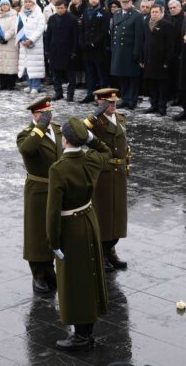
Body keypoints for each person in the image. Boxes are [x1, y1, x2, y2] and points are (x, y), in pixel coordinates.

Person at [47, 114, 112, 351]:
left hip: (70, 230)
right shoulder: (92, 159)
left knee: (72, 283)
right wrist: (91, 138)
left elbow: (53, 211)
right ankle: (87, 332)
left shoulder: (59, 169)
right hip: (88, 221)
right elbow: (105, 150)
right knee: (89, 277)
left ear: (65, 139)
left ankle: (81, 337)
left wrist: (53, 242)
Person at [17, 96, 63, 296]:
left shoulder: (59, 130)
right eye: (42, 114)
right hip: (38, 189)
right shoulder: (26, 134)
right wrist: (40, 127)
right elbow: (27, 149)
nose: (47, 117)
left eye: (49, 113)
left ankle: (49, 269)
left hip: (57, 188)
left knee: (53, 230)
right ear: (34, 115)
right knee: (37, 233)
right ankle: (38, 274)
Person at [83, 88, 130, 272]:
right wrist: (94, 116)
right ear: (99, 103)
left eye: (114, 102)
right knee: (103, 215)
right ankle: (100, 254)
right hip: (103, 172)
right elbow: (79, 133)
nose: (113, 105)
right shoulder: (96, 121)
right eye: (109, 103)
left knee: (117, 216)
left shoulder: (119, 118)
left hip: (118, 173)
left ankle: (111, 250)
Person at [110, 0, 143, 109]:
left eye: (127, 2)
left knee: (132, 77)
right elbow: (113, 32)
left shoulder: (136, 15)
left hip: (130, 50)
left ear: (131, 2)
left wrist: (136, 52)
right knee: (121, 76)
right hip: (118, 50)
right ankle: (124, 97)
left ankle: (132, 99)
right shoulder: (117, 13)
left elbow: (139, 36)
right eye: (123, 2)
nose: (125, 4)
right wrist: (113, 49)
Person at [140, 4, 174, 116]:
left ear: (161, 13)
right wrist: (142, 59)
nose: (154, 14)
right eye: (152, 12)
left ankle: (162, 107)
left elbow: (170, 45)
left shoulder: (167, 25)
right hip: (148, 60)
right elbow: (143, 42)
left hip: (161, 61)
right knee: (151, 85)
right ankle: (153, 105)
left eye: (156, 12)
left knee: (162, 86)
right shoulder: (145, 23)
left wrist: (167, 61)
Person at [45, 0, 79, 101]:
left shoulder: (72, 19)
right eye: (58, 8)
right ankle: (58, 92)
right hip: (54, 49)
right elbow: (48, 35)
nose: (59, 10)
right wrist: (47, 50)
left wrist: (74, 51)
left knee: (70, 74)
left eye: (62, 8)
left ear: (65, 8)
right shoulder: (52, 18)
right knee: (55, 73)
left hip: (68, 50)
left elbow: (75, 37)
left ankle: (70, 94)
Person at [80, 0, 110, 103]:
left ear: (98, 0)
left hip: (99, 48)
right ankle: (90, 94)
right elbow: (82, 29)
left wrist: (94, 43)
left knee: (101, 75)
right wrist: (82, 42)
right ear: (88, 0)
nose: (93, 0)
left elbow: (104, 31)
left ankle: (103, 97)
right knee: (90, 74)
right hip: (87, 48)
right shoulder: (86, 12)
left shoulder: (103, 12)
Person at [18, 0, 46, 94]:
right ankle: (29, 84)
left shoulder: (39, 14)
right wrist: (21, 39)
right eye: (26, 1)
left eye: (30, 1)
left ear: (34, 2)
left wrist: (31, 40)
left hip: (35, 44)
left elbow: (40, 29)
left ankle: (36, 85)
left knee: (35, 65)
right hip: (24, 43)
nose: (28, 3)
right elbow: (18, 28)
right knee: (26, 64)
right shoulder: (20, 14)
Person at [0, 0, 18, 90]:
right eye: (3, 4)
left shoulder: (14, 15)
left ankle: (11, 84)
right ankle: (3, 84)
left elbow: (13, 28)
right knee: (1, 63)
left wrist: (5, 37)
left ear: (9, 5)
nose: (5, 6)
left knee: (10, 63)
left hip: (10, 42)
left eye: (6, 4)